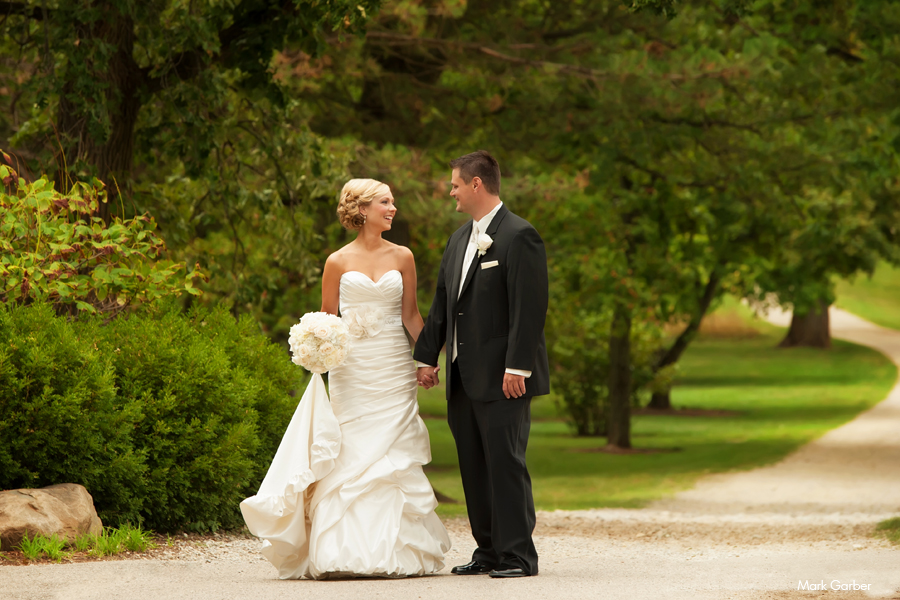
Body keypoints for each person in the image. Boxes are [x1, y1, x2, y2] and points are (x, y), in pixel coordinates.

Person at [241, 178, 450, 579]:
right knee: (351, 447)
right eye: (385, 202)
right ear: (363, 209)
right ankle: (339, 551)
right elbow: (326, 319)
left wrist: (426, 360)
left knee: (392, 450)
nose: (393, 208)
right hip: (352, 368)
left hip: (391, 363)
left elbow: (410, 315)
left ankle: (397, 551)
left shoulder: (403, 256)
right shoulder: (336, 261)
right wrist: (316, 348)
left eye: (393, 202)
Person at [414, 150, 550, 579]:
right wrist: (426, 356)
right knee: (473, 465)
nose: (450, 191)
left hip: (504, 377)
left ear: (476, 184)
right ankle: (488, 550)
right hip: (461, 377)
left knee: (505, 462)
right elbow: (442, 305)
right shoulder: (458, 239)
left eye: (455, 184)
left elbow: (529, 309)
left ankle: (518, 556)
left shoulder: (519, 235)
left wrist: (518, 367)